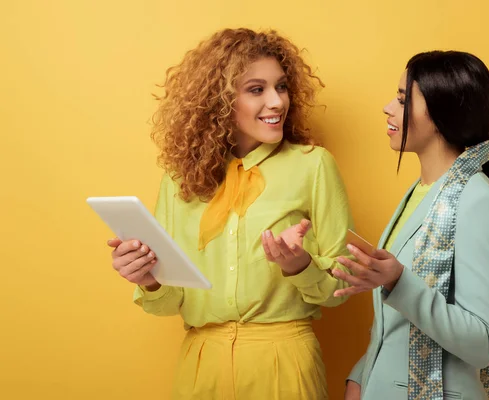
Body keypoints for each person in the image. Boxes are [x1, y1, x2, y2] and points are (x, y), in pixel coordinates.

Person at [107, 27, 353, 400]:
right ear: (219, 101)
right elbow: (170, 302)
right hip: (201, 363)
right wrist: (148, 277)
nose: (276, 102)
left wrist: (298, 265)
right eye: (256, 90)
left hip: (284, 359)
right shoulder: (179, 180)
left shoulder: (313, 166)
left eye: (281, 87)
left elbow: (343, 286)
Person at [334, 51, 489, 400]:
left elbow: (482, 344)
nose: (388, 107)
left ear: (439, 113)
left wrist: (399, 282)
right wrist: (360, 377)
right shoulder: (422, 193)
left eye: (402, 99)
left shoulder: (478, 202)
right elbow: (395, 328)